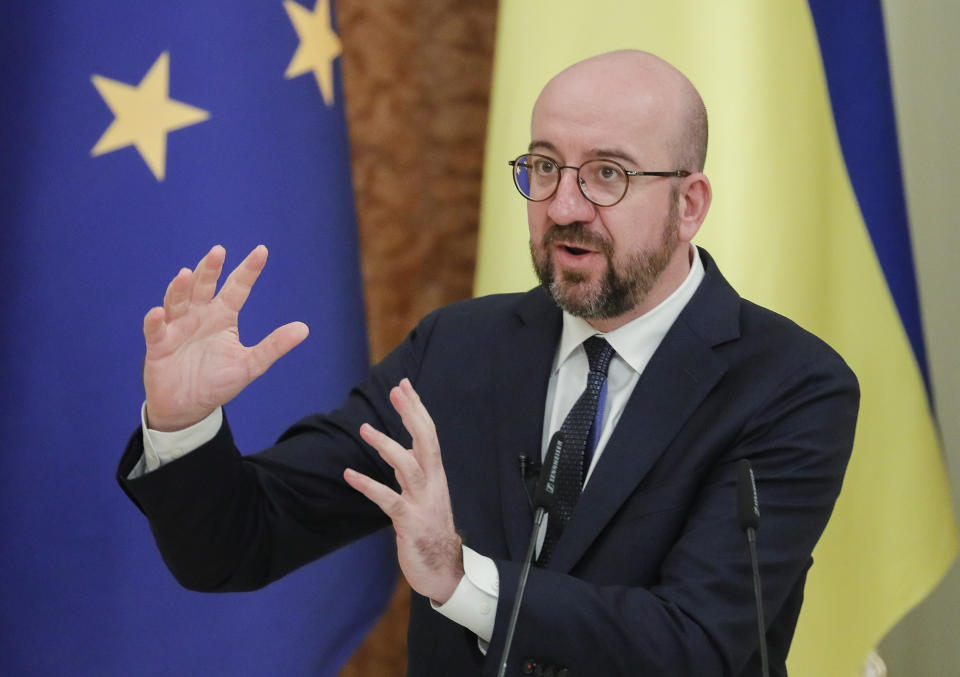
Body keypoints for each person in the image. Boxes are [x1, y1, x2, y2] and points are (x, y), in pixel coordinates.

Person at [118, 50, 859, 676]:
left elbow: (700, 642)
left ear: (689, 203)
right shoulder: (460, 348)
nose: (564, 205)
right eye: (543, 167)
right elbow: (239, 545)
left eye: (607, 174)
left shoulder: (788, 385)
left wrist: (462, 579)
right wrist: (184, 426)